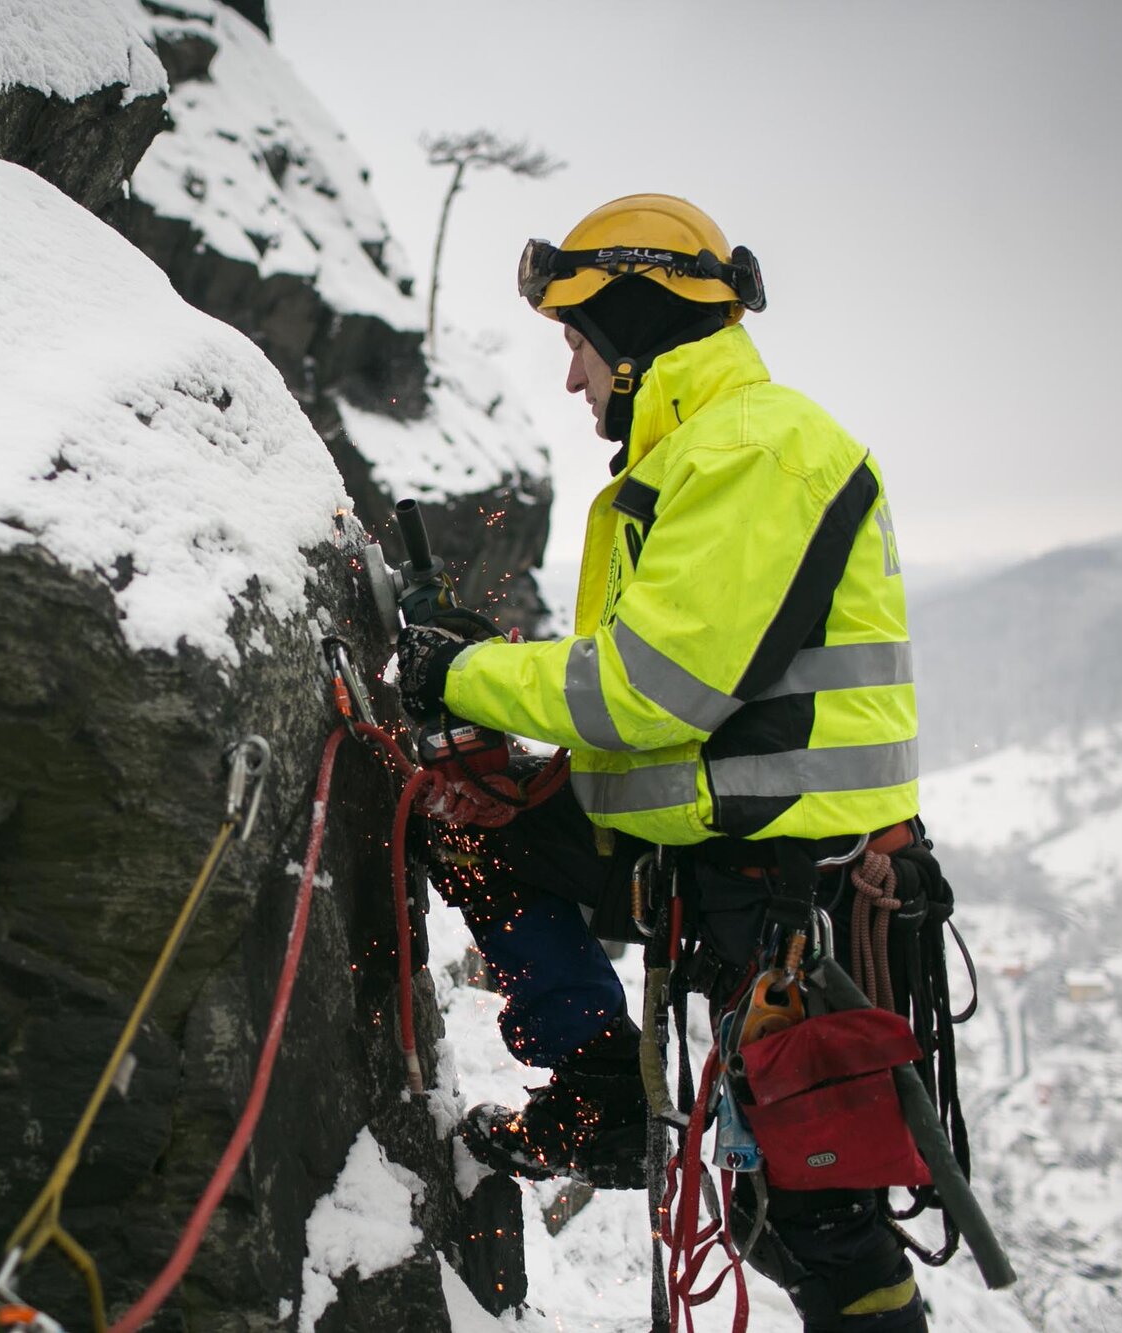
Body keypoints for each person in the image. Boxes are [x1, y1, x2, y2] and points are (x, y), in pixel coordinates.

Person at [398, 195, 939, 1333]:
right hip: (715, 852)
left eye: (577, 346)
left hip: (786, 879)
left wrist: (461, 677)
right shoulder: (701, 453)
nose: (571, 380)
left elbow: (652, 687)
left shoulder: (756, 449)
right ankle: (596, 1090)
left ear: (633, 333)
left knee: (807, 1210)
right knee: (475, 825)